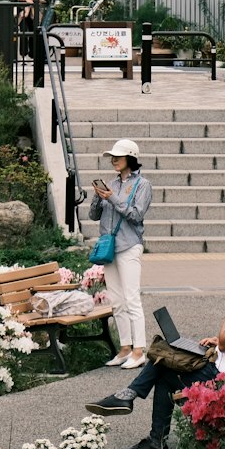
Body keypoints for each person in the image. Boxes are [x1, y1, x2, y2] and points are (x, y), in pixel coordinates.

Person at [86, 243, 225, 449]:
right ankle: (136, 408)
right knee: (166, 356)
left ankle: (136, 409)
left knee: (164, 367)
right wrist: (219, 340)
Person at [88, 138, 153, 372]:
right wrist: (99, 195)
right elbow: (94, 216)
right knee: (116, 300)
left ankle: (139, 350)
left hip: (129, 245)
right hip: (110, 248)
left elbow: (136, 215)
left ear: (130, 159)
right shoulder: (112, 184)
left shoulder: (143, 185)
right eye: (112, 157)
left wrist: (112, 198)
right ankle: (125, 347)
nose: (113, 160)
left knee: (132, 298)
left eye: (118, 156)